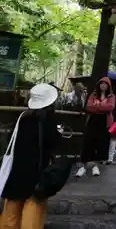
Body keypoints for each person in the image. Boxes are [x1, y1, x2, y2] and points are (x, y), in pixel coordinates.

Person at [1, 83, 63, 229]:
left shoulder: (22, 118)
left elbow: (11, 141)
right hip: (36, 177)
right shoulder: (48, 121)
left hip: (15, 174)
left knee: (10, 215)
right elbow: (53, 143)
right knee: (32, 217)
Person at [75, 77, 115, 177]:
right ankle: (83, 166)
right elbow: (89, 107)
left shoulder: (111, 96)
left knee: (100, 143)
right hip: (93, 120)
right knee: (88, 142)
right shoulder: (93, 95)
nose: (103, 85)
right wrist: (102, 108)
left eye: (105, 84)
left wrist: (97, 107)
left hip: (104, 122)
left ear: (108, 86)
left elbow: (110, 107)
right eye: (101, 83)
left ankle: (96, 166)